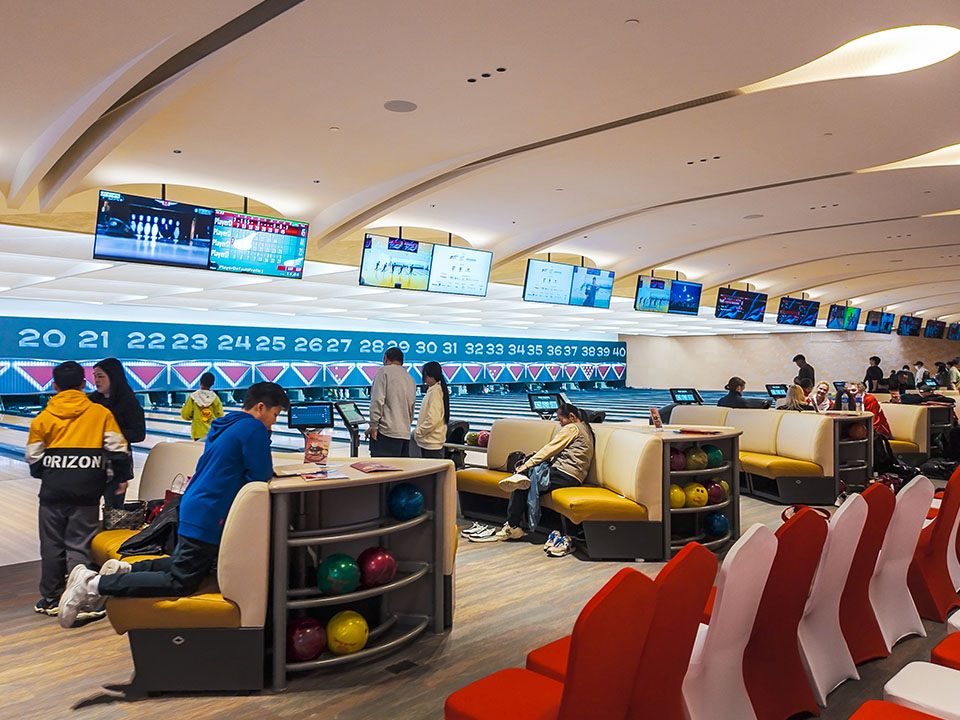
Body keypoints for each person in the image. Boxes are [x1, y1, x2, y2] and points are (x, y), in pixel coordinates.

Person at [57, 382, 288, 628]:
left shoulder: (228, 423)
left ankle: (126, 570)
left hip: (195, 505)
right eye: (274, 415)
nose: (273, 422)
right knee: (183, 580)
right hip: (210, 511)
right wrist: (266, 438)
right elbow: (260, 475)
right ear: (261, 407)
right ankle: (92, 584)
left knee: (190, 561)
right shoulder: (253, 428)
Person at [26, 361, 132, 617]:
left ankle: (50, 598)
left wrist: (48, 473)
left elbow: (33, 457)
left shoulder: (43, 418)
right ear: (83, 385)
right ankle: (80, 598)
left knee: (51, 545)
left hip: (52, 493)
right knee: (78, 545)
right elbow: (118, 449)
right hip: (86, 491)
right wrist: (119, 478)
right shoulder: (100, 414)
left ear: (53, 386)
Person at [492, 402, 595, 557]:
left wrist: (526, 465)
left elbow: (550, 448)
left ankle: (512, 526)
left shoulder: (572, 428)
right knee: (524, 480)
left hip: (566, 474)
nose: (560, 425)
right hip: (570, 475)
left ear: (572, 417)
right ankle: (514, 524)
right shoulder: (585, 428)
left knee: (522, 483)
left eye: (561, 420)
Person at [89, 358, 145, 507]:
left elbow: (139, 434)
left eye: (100, 376)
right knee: (86, 512)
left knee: (113, 512)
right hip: (92, 464)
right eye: (94, 376)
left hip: (116, 466)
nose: (96, 380)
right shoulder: (92, 401)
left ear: (113, 376)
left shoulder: (128, 401)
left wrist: (111, 435)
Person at [366, 347, 416, 457]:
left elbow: (377, 400)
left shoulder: (383, 372)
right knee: (400, 472)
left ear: (385, 358)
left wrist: (374, 425)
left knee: (383, 472)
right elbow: (412, 408)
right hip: (404, 434)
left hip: (386, 434)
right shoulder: (410, 378)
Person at [414, 361, 449, 458]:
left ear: (431, 375)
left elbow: (433, 419)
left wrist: (418, 432)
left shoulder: (435, 392)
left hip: (431, 443)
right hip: (432, 442)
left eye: (425, 375)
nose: (424, 379)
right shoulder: (436, 390)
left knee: (431, 473)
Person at [180, 371, 224, 440]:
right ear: (212, 384)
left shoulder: (193, 397)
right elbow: (220, 416)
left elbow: (186, 414)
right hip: (212, 433)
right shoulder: (215, 398)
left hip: (198, 433)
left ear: (200, 382)